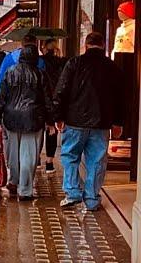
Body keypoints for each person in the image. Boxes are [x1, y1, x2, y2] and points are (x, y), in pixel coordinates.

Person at [53, 32, 125, 211]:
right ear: (103, 45)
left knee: (70, 156)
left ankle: (72, 193)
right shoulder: (112, 67)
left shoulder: (74, 63)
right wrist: (118, 122)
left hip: (74, 120)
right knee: (97, 160)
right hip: (101, 123)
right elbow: (120, 98)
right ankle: (92, 199)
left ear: (85, 45)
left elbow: (61, 90)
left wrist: (58, 116)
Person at [0, 44, 54, 201]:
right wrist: (50, 120)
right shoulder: (40, 74)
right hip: (33, 118)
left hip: (11, 117)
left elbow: (1, 97)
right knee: (29, 154)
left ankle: (14, 180)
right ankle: (25, 190)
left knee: (13, 153)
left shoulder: (10, 72)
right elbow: (48, 100)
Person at [40, 38, 66, 173]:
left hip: (41, 99)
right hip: (55, 99)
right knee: (52, 131)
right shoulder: (61, 62)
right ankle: (49, 162)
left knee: (38, 130)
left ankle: (37, 158)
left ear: (44, 47)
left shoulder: (40, 62)